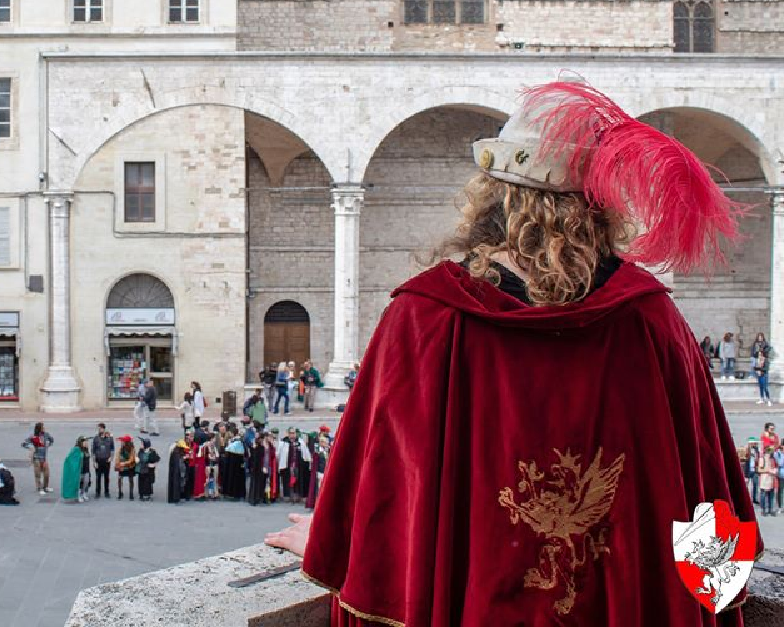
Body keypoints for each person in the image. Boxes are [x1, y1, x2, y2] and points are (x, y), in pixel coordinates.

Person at [266, 79, 761, 625]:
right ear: (598, 210)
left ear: (492, 195)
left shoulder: (424, 319)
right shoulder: (652, 322)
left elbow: (386, 488)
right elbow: (706, 494)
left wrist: (333, 542)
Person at [279, 428, 311, 505]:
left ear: (295, 434)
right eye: (290, 433)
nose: (292, 435)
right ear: (288, 434)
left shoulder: (300, 442)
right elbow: (280, 453)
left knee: (297, 481)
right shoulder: (284, 442)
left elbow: (305, 452)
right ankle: (288, 495)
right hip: (287, 465)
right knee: (288, 481)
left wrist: (308, 459)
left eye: (293, 433)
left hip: (297, 465)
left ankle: (296, 496)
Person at [22, 422, 54, 495]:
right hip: (36, 457)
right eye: (43, 427)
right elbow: (24, 443)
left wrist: (49, 442)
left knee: (46, 473)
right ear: (39, 428)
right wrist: (31, 447)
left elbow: (52, 440)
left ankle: (45, 487)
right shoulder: (33, 436)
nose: (44, 428)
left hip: (44, 457)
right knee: (38, 474)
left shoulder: (46, 435)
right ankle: (39, 488)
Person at [221, 426, 247, 501]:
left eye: (230, 433)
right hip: (238, 464)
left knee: (236, 478)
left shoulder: (237, 442)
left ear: (233, 433)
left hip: (235, 465)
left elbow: (228, 449)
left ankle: (235, 493)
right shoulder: (237, 441)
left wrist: (227, 446)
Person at [167, 433, 192, 504]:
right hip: (178, 473)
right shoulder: (176, 453)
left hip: (176, 473)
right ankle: (176, 498)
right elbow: (179, 464)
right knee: (177, 485)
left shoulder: (176, 452)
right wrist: (184, 458)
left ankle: (177, 497)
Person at [62, 437, 88, 503]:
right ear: (81, 442)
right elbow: (70, 458)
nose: (86, 443)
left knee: (86, 481)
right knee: (79, 482)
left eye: (86, 442)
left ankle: (83, 493)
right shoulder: (76, 449)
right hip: (80, 469)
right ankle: (78, 495)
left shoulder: (86, 449)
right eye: (84, 442)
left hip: (86, 469)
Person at [92, 423, 114, 498]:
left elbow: (112, 448)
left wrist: (111, 457)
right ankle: (97, 492)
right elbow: (93, 450)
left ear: (103, 429)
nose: (99, 430)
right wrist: (94, 461)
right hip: (98, 460)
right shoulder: (95, 438)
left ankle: (106, 492)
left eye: (100, 428)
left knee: (106, 477)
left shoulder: (109, 438)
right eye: (98, 428)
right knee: (98, 477)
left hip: (106, 460)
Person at [115, 435, 137, 501]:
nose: (122, 442)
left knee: (131, 480)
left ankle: (131, 494)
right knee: (119, 479)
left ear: (126, 442)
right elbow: (117, 457)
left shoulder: (132, 449)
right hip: (122, 466)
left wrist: (124, 463)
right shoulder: (121, 449)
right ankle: (120, 492)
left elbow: (132, 459)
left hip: (130, 466)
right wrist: (117, 463)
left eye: (123, 441)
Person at [759, 445, 778, 516]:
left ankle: (770, 509)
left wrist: (775, 470)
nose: (771, 453)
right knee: (763, 495)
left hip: (771, 479)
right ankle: (763, 510)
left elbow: (775, 467)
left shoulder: (772, 459)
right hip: (764, 479)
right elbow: (759, 470)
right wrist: (768, 470)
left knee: (771, 495)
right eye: (770, 451)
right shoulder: (762, 459)